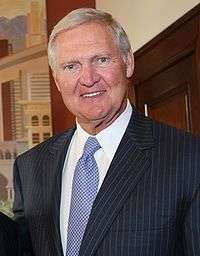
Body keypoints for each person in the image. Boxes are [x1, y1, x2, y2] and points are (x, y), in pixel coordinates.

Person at [13, 7, 200, 256]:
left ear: (128, 63)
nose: (88, 78)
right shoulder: (30, 167)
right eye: (71, 66)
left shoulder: (189, 158)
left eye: (101, 60)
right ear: (57, 80)